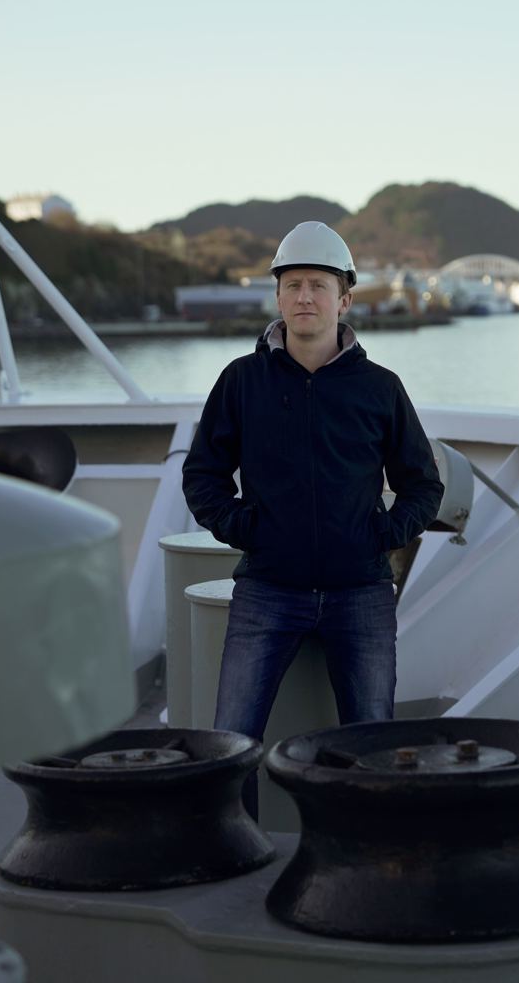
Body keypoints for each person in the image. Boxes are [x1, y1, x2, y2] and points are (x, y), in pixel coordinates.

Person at [181, 221, 443, 816]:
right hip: (268, 589)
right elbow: (203, 475)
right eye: (293, 284)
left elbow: (422, 484)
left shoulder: (380, 388)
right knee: (232, 743)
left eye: (318, 285)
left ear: (344, 299)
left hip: (362, 593)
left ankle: (367, 851)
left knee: (370, 742)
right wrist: (247, 528)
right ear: (277, 297)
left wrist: (382, 535)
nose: (305, 296)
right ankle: (234, 847)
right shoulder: (241, 382)